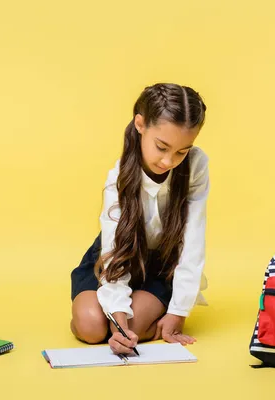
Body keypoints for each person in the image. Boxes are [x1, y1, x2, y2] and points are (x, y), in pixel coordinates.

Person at [70, 82, 209, 356]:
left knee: (128, 327)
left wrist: (178, 312)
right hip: (116, 259)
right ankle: (99, 314)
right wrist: (116, 312)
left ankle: (151, 308)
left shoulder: (196, 166)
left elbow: (193, 241)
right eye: (162, 147)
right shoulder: (119, 177)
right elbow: (113, 249)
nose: (169, 161)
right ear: (140, 124)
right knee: (92, 328)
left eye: (182, 151)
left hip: (158, 266)